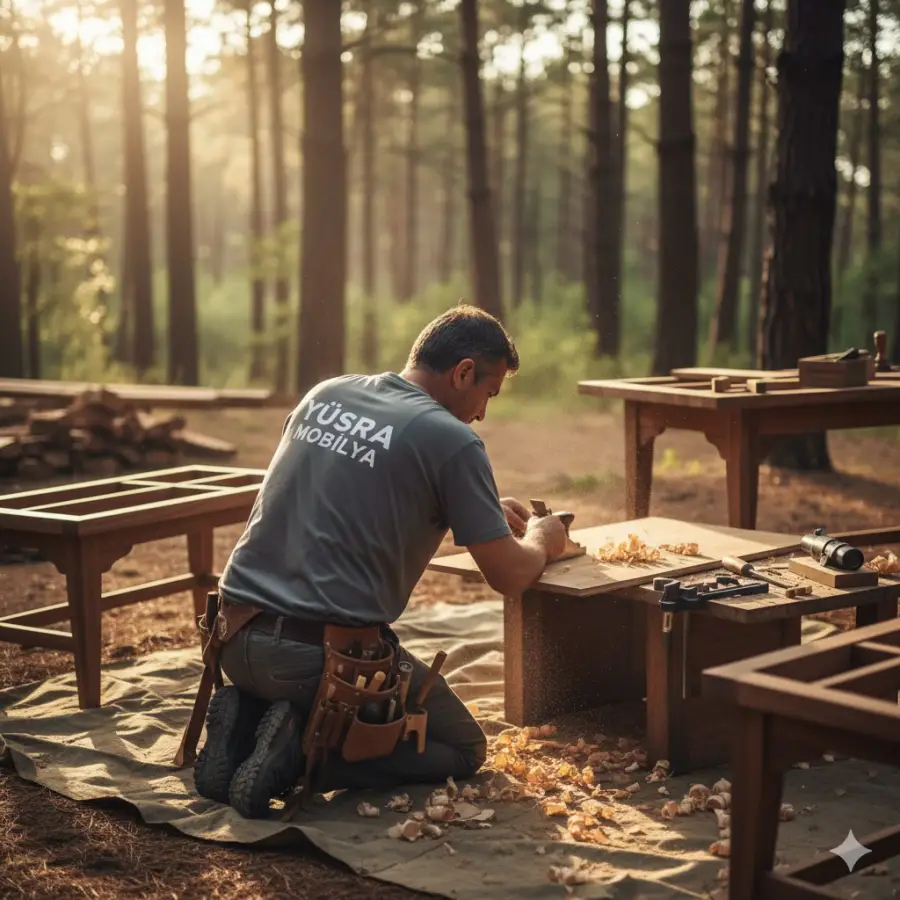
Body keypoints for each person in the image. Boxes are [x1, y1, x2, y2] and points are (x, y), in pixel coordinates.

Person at [192, 304, 569, 818]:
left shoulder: (325, 394)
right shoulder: (453, 441)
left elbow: (346, 497)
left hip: (231, 641)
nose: (483, 411)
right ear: (463, 372)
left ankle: (243, 727)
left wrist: (473, 509)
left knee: (281, 678)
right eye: (488, 392)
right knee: (463, 748)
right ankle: (300, 755)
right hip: (319, 664)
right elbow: (510, 576)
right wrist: (545, 540)